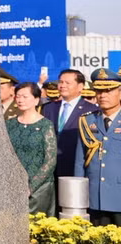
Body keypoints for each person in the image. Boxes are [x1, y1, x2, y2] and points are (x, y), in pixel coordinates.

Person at [75, 68, 121, 226]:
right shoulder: (87, 121)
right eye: (99, 91)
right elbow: (80, 161)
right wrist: (78, 193)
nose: (102, 95)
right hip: (95, 196)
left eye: (108, 91)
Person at [6, 82, 56, 216]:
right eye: (18, 96)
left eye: (25, 96)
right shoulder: (10, 124)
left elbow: (50, 160)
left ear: (36, 100)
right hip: (13, 185)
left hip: (39, 188)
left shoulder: (46, 125)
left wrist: (31, 186)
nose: (20, 100)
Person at [40, 69, 98, 180]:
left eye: (67, 83)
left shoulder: (92, 110)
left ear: (80, 86)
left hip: (75, 170)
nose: (62, 86)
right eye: (61, 82)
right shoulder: (48, 108)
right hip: (49, 171)